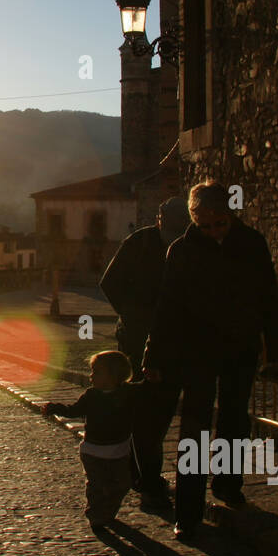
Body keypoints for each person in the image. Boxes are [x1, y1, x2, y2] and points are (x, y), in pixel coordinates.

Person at [144, 181, 278, 541]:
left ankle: (226, 483)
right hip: (195, 353)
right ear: (194, 220)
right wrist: (154, 353)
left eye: (220, 224)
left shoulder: (252, 244)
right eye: (205, 226)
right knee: (194, 430)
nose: (213, 232)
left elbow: (270, 301)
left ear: (231, 215)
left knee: (234, 419)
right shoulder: (181, 251)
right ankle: (188, 512)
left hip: (240, 349)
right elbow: (167, 307)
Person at [99, 197, 191, 511]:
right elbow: (109, 282)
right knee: (151, 411)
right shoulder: (139, 243)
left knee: (155, 412)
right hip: (139, 343)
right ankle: (148, 481)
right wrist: (133, 318)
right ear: (160, 219)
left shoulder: (183, 246)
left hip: (172, 342)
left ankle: (141, 474)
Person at [42, 350, 141, 528]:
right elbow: (74, 410)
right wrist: (55, 408)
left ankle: (108, 512)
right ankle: (95, 514)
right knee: (97, 485)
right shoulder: (91, 396)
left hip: (119, 451)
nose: (91, 376)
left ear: (114, 375)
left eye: (97, 372)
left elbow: (147, 389)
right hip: (93, 450)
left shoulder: (128, 393)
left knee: (121, 484)